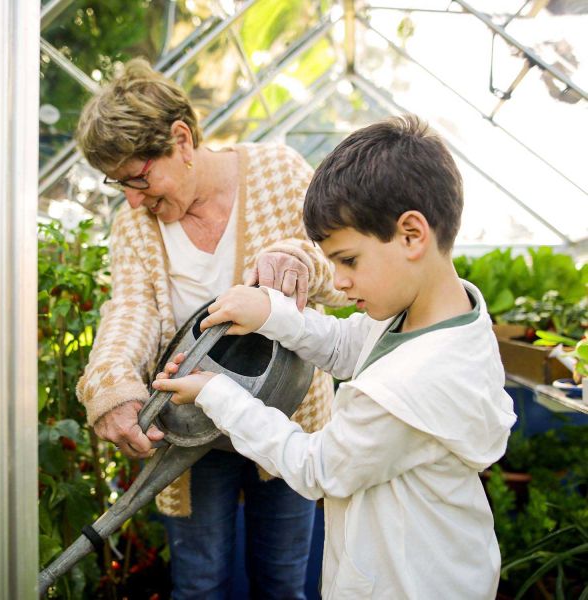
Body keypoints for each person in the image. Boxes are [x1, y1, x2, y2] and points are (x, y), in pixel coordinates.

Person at [152, 115, 518, 599]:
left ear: (412, 234)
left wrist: (216, 393)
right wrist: (269, 313)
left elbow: (316, 466)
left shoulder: (410, 386)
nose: (339, 282)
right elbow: (347, 347)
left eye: (348, 260)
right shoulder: (435, 316)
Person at [75, 58, 345, 599]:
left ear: (181, 139)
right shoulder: (134, 223)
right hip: (193, 430)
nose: (132, 200)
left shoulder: (278, 172)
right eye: (119, 185)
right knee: (198, 585)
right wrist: (110, 384)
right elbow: (131, 309)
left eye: (138, 178)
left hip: (286, 418)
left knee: (284, 583)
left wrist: (297, 260)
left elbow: (338, 272)